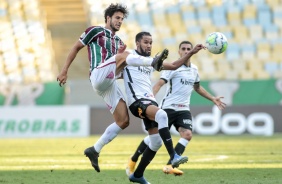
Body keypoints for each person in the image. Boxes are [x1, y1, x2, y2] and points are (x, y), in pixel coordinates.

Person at [56, 3, 168, 173]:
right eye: (117, 17)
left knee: (123, 121)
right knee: (125, 55)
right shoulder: (95, 31)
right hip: (97, 74)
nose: (120, 21)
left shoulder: (119, 42)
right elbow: (76, 47)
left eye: (122, 19)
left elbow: (123, 67)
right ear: (108, 18)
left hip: (108, 82)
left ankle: (94, 149)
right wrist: (64, 70)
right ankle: (153, 61)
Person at [126, 41, 226, 177]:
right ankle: (133, 159)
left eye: (188, 49)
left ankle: (169, 165)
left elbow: (197, 87)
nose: (186, 51)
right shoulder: (173, 68)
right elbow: (159, 84)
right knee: (154, 139)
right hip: (168, 108)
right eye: (183, 49)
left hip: (184, 109)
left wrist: (213, 98)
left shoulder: (194, 69)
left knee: (187, 135)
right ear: (179, 52)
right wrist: (150, 100)